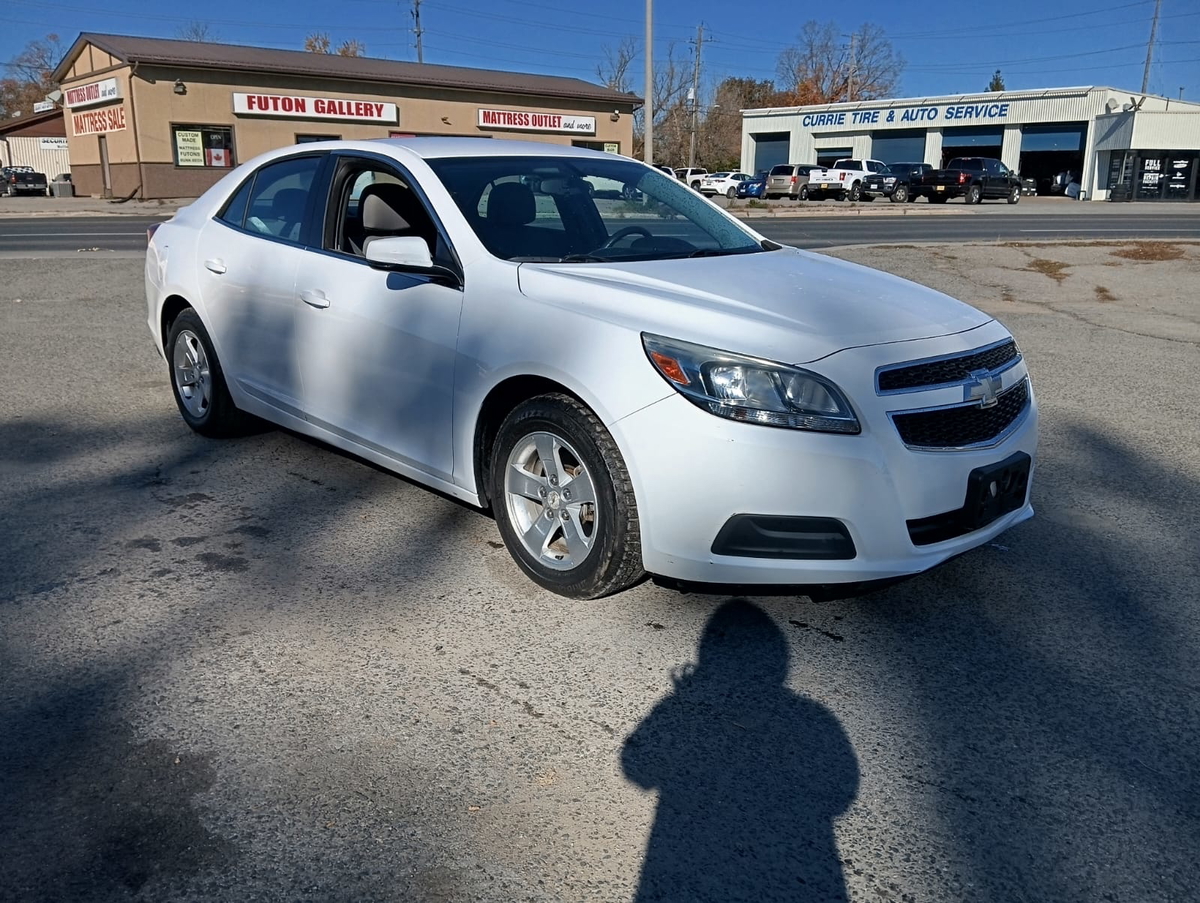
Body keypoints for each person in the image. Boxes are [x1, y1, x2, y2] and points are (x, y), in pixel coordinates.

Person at [622, 600, 860, 902]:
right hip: (788, 865)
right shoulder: (814, 716)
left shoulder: (673, 708)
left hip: (689, 853)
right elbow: (841, 793)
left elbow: (636, 768)